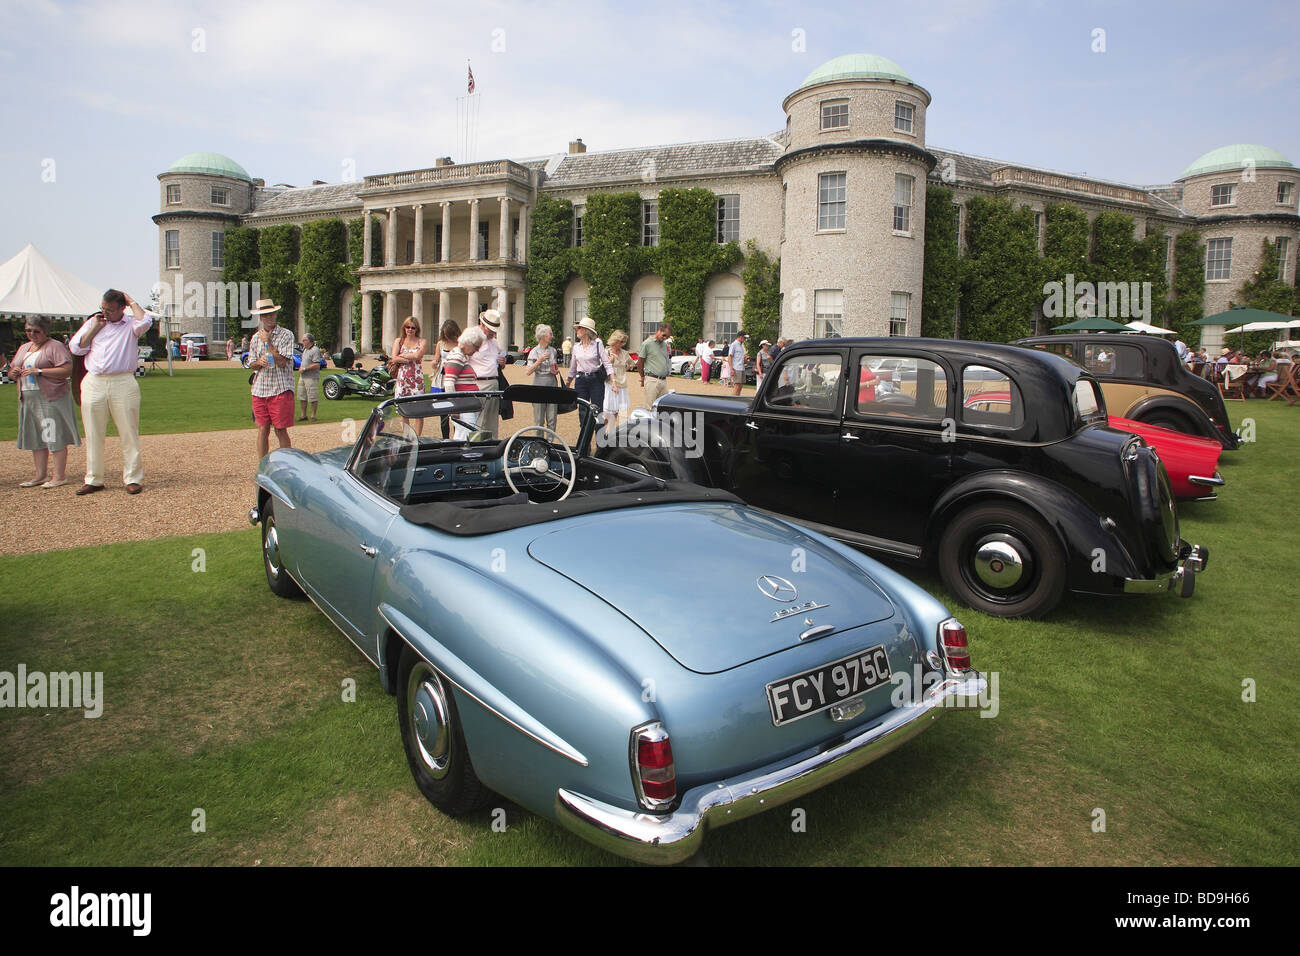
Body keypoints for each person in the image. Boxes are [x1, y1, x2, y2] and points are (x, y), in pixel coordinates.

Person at [68, 289, 157, 495]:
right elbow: (76, 347)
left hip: (122, 381)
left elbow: (146, 321)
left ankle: (133, 477)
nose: (105, 313)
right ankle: (94, 478)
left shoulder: (131, 325)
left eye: (110, 310)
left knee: (128, 431)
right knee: (93, 432)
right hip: (94, 380)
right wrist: (95, 328)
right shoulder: (94, 322)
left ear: (122, 309)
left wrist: (131, 300)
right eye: (103, 308)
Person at [9, 316, 79, 488]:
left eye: (36, 331)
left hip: (50, 397)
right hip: (28, 398)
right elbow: (11, 371)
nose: (31, 334)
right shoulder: (24, 348)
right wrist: (14, 372)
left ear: (45, 331)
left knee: (53, 434)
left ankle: (59, 475)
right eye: (28, 330)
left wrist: (39, 371)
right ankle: (40, 475)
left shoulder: (55, 346)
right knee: (35, 437)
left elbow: (66, 370)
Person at [247, 297, 297, 460]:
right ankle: (262, 465)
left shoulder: (286, 335)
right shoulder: (255, 338)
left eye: (271, 314)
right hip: (260, 389)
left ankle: (288, 464)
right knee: (262, 429)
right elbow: (251, 364)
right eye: (265, 315)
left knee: (280, 429)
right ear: (261, 318)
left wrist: (268, 342)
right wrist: (258, 362)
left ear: (275, 315)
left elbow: (282, 362)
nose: (269, 318)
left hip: (280, 388)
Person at [468, 309, 508, 438]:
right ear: (482, 324)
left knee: (491, 422)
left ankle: (491, 445)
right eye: (490, 330)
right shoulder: (471, 337)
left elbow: (496, 362)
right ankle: (476, 447)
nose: (492, 333)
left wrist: (501, 363)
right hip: (477, 383)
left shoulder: (494, 342)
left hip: (493, 383)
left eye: (494, 331)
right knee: (477, 421)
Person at [441, 326, 485, 439]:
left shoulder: (461, 355)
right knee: (466, 437)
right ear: (468, 343)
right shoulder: (457, 356)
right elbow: (449, 383)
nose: (477, 350)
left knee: (464, 436)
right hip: (463, 406)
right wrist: (455, 408)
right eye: (476, 346)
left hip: (466, 405)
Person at [390, 316, 428, 433]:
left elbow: (417, 356)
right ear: (404, 328)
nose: (410, 330)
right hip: (403, 378)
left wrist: (403, 356)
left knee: (419, 411)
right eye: (408, 327)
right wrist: (407, 358)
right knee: (403, 410)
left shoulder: (422, 341)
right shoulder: (399, 341)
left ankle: (417, 438)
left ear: (417, 329)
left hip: (416, 378)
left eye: (413, 328)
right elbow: (393, 358)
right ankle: (407, 438)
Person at [570, 316, 614, 411]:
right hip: (580, 380)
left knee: (597, 409)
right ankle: (584, 427)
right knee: (582, 410)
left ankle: (599, 427)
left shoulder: (598, 344)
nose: (577, 330)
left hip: (596, 380)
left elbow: (607, 364)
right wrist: (567, 383)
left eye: (579, 328)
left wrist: (613, 381)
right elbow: (573, 368)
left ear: (586, 331)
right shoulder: (576, 347)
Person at [525, 324, 560, 430]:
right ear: (543, 336)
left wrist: (555, 371)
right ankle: (539, 443)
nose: (552, 336)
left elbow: (555, 368)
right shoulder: (534, 352)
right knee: (539, 419)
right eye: (550, 334)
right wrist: (539, 361)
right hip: (538, 383)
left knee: (552, 418)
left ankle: (550, 443)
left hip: (552, 383)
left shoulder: (553, 351)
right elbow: (528, 371)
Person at [432, 319, 462, 439]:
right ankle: (445, 438)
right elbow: (436, 358)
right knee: (443, 411)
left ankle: (456, 437)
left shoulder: (460, 343)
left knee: (456, 410)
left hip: (456, 377)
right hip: (442, 378)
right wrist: (434, 363)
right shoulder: (441, 344)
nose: (447, 338)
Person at [638, 321, 672, 408]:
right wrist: (642, 377)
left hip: (663, 381)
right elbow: (640, 362)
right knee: (649, 407)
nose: (665, 338)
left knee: (662, 407)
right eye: (664, 335)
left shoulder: (664, 345)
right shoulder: (647, 344)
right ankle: (647, 422)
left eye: (667, 337)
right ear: (659, 330)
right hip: (651, 380)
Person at [604, 329, 631, 434]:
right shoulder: (607, 352)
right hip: (610, 384)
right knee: (609, 412)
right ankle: (607, 431)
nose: (621, 344)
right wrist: (609, 362)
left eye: (623, 342)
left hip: (623, 384)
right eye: (620, 341)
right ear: (614, 340)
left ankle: (622, 435)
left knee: (623, 411)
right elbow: (601, 367)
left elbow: (631, 364)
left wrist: (627, 366)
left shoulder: (624, 353)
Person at [296, 332, 324, 422]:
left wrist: (304, 368)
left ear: (310, 341)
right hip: (303, 376)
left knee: (312, 396)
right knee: (302, 396)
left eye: (305, 340)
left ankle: (313, 415)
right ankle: (303, 415)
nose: (303, 341)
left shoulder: (315, 350)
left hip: (311, 377)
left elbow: (317, 364)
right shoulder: (305, 350)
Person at [728, 331, 749, 397]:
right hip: (736, 368)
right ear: (740, 337)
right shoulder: (734, 344)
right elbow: (730, 356)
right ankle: (733, 401)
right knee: (737, 386)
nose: (745, 339)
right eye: (744, 338)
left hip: (741, 367)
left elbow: (740, 358)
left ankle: (737, 398)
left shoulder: (740, 346)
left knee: (740, 386)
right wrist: (731, 369)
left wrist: (745, 359)